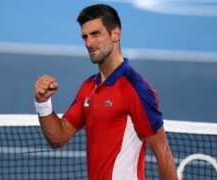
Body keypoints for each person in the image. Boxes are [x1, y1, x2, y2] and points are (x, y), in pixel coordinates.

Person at [34, 4, 178, 180]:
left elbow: (163, 152)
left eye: (95, 34)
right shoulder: (88, 87)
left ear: (116, 34)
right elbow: (58, 138)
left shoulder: (136, 89)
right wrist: (43, 103)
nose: (89, 43)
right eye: (85, 37)